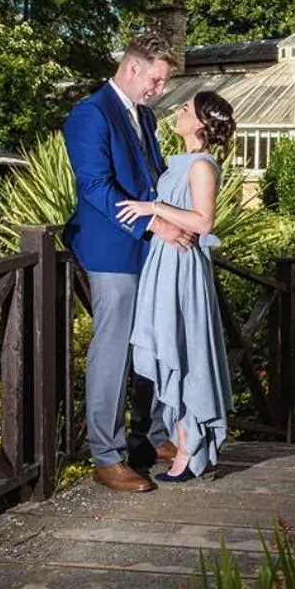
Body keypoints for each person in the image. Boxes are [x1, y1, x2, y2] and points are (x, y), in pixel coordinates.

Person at [62, 31, 193, 494]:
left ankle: (152, 437)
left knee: (152, 345)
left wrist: (182, 217)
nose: (159, 89)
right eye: (156, 80)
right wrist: (154, 227)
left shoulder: (144, 116)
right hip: (110, 250)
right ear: (133, 67)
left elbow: (153, 181)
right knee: (113, 352)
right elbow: (96, 189)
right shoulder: (89, 115)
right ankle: (106, 455)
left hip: (147, 248)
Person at [117, 91, 236, 482]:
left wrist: (153, 208)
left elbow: (204, 222)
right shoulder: (179, 162)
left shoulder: (201, 165)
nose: (179, 112)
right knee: (172, 349)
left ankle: (189, 452)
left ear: (201, 123)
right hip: (165, 264)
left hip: (184, 268)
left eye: (186, 109)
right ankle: (184, 444)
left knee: (184, 352)